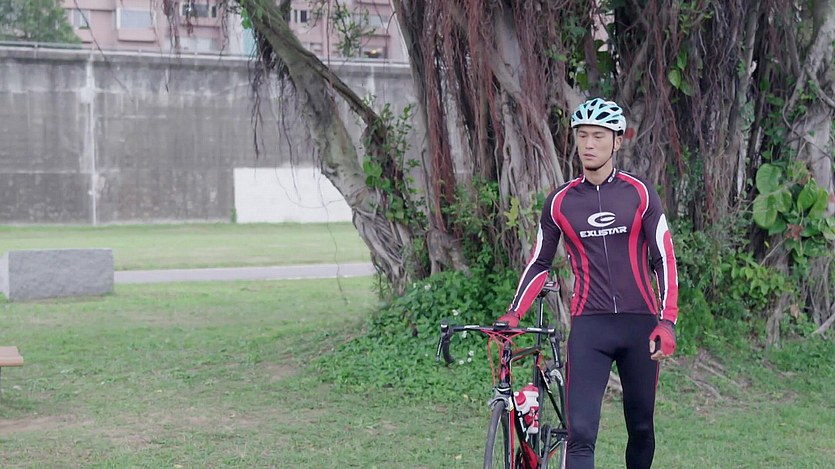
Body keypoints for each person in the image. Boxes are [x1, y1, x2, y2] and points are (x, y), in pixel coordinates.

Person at [495, 98, 679, 469]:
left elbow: (664, 258)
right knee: (580, 434)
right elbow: (540, 262)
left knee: (641, 428)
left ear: (617, 141)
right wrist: (515, 313)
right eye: (582, 136)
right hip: (589, 327)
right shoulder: (560, 202)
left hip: (640, 325)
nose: (589, 144)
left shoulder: (640, 192)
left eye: (598, 136)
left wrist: (667, 321)